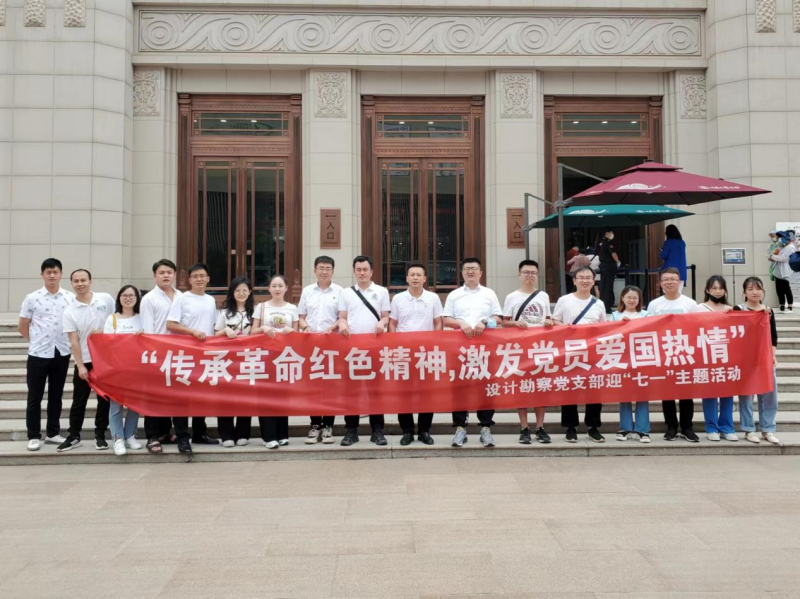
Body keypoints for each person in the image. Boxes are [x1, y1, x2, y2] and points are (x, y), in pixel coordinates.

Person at [443, 257, 503, 448]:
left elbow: (498, 318)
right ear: (462, 273)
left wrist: (485, 321)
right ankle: (460, 428)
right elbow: (446, 319)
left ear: (480, 272)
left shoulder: (489, 293)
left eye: (474, 268)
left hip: (485, 349)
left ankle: (485, 428)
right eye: (467, 268)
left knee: (485, 388)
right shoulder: (454, 295)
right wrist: (460, 323)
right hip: (459, 349)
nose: (470, 271)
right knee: (460, 388)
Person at [19, 258, 75, 451]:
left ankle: (52, 433)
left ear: (61, 274)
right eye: (48, 272)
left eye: (55, 272)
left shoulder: (69, 298)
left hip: (61, 352)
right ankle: (34, 435)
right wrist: (35, 341)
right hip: (38, 354)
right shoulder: (32, 298)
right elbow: (23, 326)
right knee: (34, 396)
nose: (52, 275)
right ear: (42, 275)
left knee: (56, 396)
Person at [57, 269, 115, 452]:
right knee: (78, 401)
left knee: (104, 399)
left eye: (83, 280)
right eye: (76, 281)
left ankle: (100, 435)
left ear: (91, 281)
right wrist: (80, 365)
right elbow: (73, 341)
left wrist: (104, 331)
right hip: (85, 359)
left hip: (105, 359)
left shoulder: (105, 299)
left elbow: (117, 322)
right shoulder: (70, 311)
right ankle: (74, 436)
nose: (80, 284)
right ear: (72, 284)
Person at [166, 262, 220, 452]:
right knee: (182, 398)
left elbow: (213, 327)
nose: (199, 279)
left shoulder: (210, 300)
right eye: (195, 276)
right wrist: (192, 332)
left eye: (202, 276)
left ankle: (199, 433)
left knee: (201, 396)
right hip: (185, 354)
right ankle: (182, 437)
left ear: (208, 279)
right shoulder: (182, 299)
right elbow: (170, 324)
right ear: (189, 280)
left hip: (205, 355)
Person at [337, 256, 391, 446]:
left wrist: (382, 323)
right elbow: (342, 317)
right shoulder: (346, 293)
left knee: (375, 390)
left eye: (365, 269)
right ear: (354, 271)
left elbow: (386, 316)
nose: (362, 273)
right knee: (351, 391)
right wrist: (342, 324)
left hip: (375, 348)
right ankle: (351, 430)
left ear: (371, 271)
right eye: (358, 270)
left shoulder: (381, 291)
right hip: (352, 349)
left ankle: (377, 430)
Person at [389, 262, 443, 446]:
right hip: (403, 353)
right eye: (412, 275)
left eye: (419, 275)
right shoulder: (398, 299)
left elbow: (438, 322)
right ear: (406, 278)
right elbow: (392, 324)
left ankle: (424, 431)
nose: (415, 278)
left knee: (426, 393)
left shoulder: (433, 298)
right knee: (404, 393)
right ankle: (407, 431)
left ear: (424, 278)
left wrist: (435, 344)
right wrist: (395, 345)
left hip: (426, 353)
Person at [552, 266, 607, 443]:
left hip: (592, 353)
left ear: (593, 281)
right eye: (581, 277)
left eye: (588, 277)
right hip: (570, 352)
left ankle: (593, 427)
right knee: (570, 389)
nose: (585, 280)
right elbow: (555, 320)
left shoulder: (598, 303)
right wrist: (567, 328)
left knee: (594, 389)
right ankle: (571, 427)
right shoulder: (564, 300)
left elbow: (603, 327)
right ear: (574, 280)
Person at [646, 267, 700, 442]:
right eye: (666, 279)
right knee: (667, 393)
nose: (669, 282)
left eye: (673, 279)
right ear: (661, 283)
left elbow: (698, 327)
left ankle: (687, 427)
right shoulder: (655, 304)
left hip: (686, 353)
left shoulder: (690, 304)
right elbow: (650, 328)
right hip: (664, 354)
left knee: (686, 393)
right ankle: (671, 426)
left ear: (679, 282)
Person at [503, 259, 553, 444]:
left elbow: (548, 319)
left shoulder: (543, 296)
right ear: (519, 275)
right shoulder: (511, 297)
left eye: (533, 272)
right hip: (520, 348)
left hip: (540, 348)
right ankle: (524, 427)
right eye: (526, 272)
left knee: (541, 387)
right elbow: (504, 322)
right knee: (522, 387)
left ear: (537, 275)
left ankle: (540, 427)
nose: (529, 275)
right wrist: (515, 323)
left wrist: (549, 322)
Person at [139, 258, 182, 454]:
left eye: (169, 272)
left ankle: (166, 432)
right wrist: (152, 355)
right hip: (158, 353)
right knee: (155, 396)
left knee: (173, 395)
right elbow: (148, 329)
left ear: (174, 275)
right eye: (162, 273)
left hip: (179, 354)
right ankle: (153, 436)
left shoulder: (181, 296)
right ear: (155, 275)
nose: (166, 276)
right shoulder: (149, 299)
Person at [298, 256, 342, 444]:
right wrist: (305, 326)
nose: (324, 271)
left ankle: (328, 426)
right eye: (321, 268)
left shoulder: (340, 291)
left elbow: (343, 317)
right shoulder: (307, 291)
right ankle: (315, 425)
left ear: (333, 271)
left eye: (328, 268)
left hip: (332, 345)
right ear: (315, 270)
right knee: (313, 386)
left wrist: (334, 326)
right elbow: (301, 317)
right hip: (311, 345)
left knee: (330, 386)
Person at [252, 275, 299, 448]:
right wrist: (263, 328)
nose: (277, 289)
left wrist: (291, 331)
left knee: (282, 395)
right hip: (265, 356)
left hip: (284, 357)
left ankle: (282, 434)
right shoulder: (261, 307)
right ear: (269, 288)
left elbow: (297, 334)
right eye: (274, 286)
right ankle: (268, 437)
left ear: (286, 288)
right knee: (265, 395)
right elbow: (252, 331)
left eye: (280, 285)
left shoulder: (292, 308)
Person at [735, 277, 780, 445]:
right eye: (750, 289)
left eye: (758, 288)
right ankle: (748, 429)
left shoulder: (768, 311)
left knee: (769, 395)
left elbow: (773, 336)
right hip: (746, 359)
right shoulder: (738, 309)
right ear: (744, 292)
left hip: (765, 358)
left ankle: (767, 429)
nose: (754, 292)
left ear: (763, 291)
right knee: (747, 395)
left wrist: (772, 355)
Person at [103, 285, 144, 456]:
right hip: (117, 369)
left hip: (138, 369)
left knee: (135, 405)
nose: (128, 298)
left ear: (137, 298)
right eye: (124, 295)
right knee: (116, 406)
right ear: (119, 298)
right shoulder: (112, 319)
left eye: (131, 295)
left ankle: (130, 435)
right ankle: (118, 438)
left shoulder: (142, 318)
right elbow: (106, 345)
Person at [695, 276, 737, 442]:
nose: (717, 291)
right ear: (707, 290)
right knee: (710, 393)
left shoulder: (731, 309)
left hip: (727, 356)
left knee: (727, 393)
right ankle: (711, 427)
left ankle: (727, 427)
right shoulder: (699, 308)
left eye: (720, 288)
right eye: (714, 288)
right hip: (707, 356)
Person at [214, 276, 254, 448]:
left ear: (250, 292)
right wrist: (225, 331)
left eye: (244, 290)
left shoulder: (255, 312)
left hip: (248, 360)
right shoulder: (224, 313)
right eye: (238, 290)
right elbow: (214, 335)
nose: (241, 293)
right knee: (226, 397)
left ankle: (243, 433)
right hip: (227, 360)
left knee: (246, 397)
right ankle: (226, 434)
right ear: (232, 292)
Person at [610, 286, 651, 443]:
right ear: (622, 298)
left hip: (642, 358)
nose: (632, 300)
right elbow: (609, 335)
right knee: (624, 394)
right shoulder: (615, 316)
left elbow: (651, 332)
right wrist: (620, 325)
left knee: (643, 394)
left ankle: (642, 430)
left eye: (635, 297)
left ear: (639, 300)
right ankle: (625, 428)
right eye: (629, 297)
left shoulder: (646, 315)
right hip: (622, 359)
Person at [769, 231, 795, 313]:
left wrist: (772, 256)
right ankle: (782, 307)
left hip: (784, 272)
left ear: (787, 238)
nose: (781, 239)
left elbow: (783, 258)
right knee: (779, 290)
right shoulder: (783, 247)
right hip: (778, 271)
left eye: (782, 238)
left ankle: (790, 308)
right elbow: (778, 257)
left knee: (786, 289)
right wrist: (772, 257)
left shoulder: (790, 247)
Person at [596, 229, 620, 312]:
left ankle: (605, 306)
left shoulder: (600, 243)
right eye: (611, 233)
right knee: (608, 288)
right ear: (606, 233)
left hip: (603, 267)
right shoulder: (608, 243)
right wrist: (618, 261)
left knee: (603, 287)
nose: (612, 234)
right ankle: (607, 307)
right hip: (609, 267)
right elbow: (613, 254)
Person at [661, 224, 687, 291]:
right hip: (681, 272)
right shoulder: (682, 242)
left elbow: (663, 256)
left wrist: (662, 250)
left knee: (668, 293)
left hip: (669, 271)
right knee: (678, 293)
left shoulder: (668, 242)